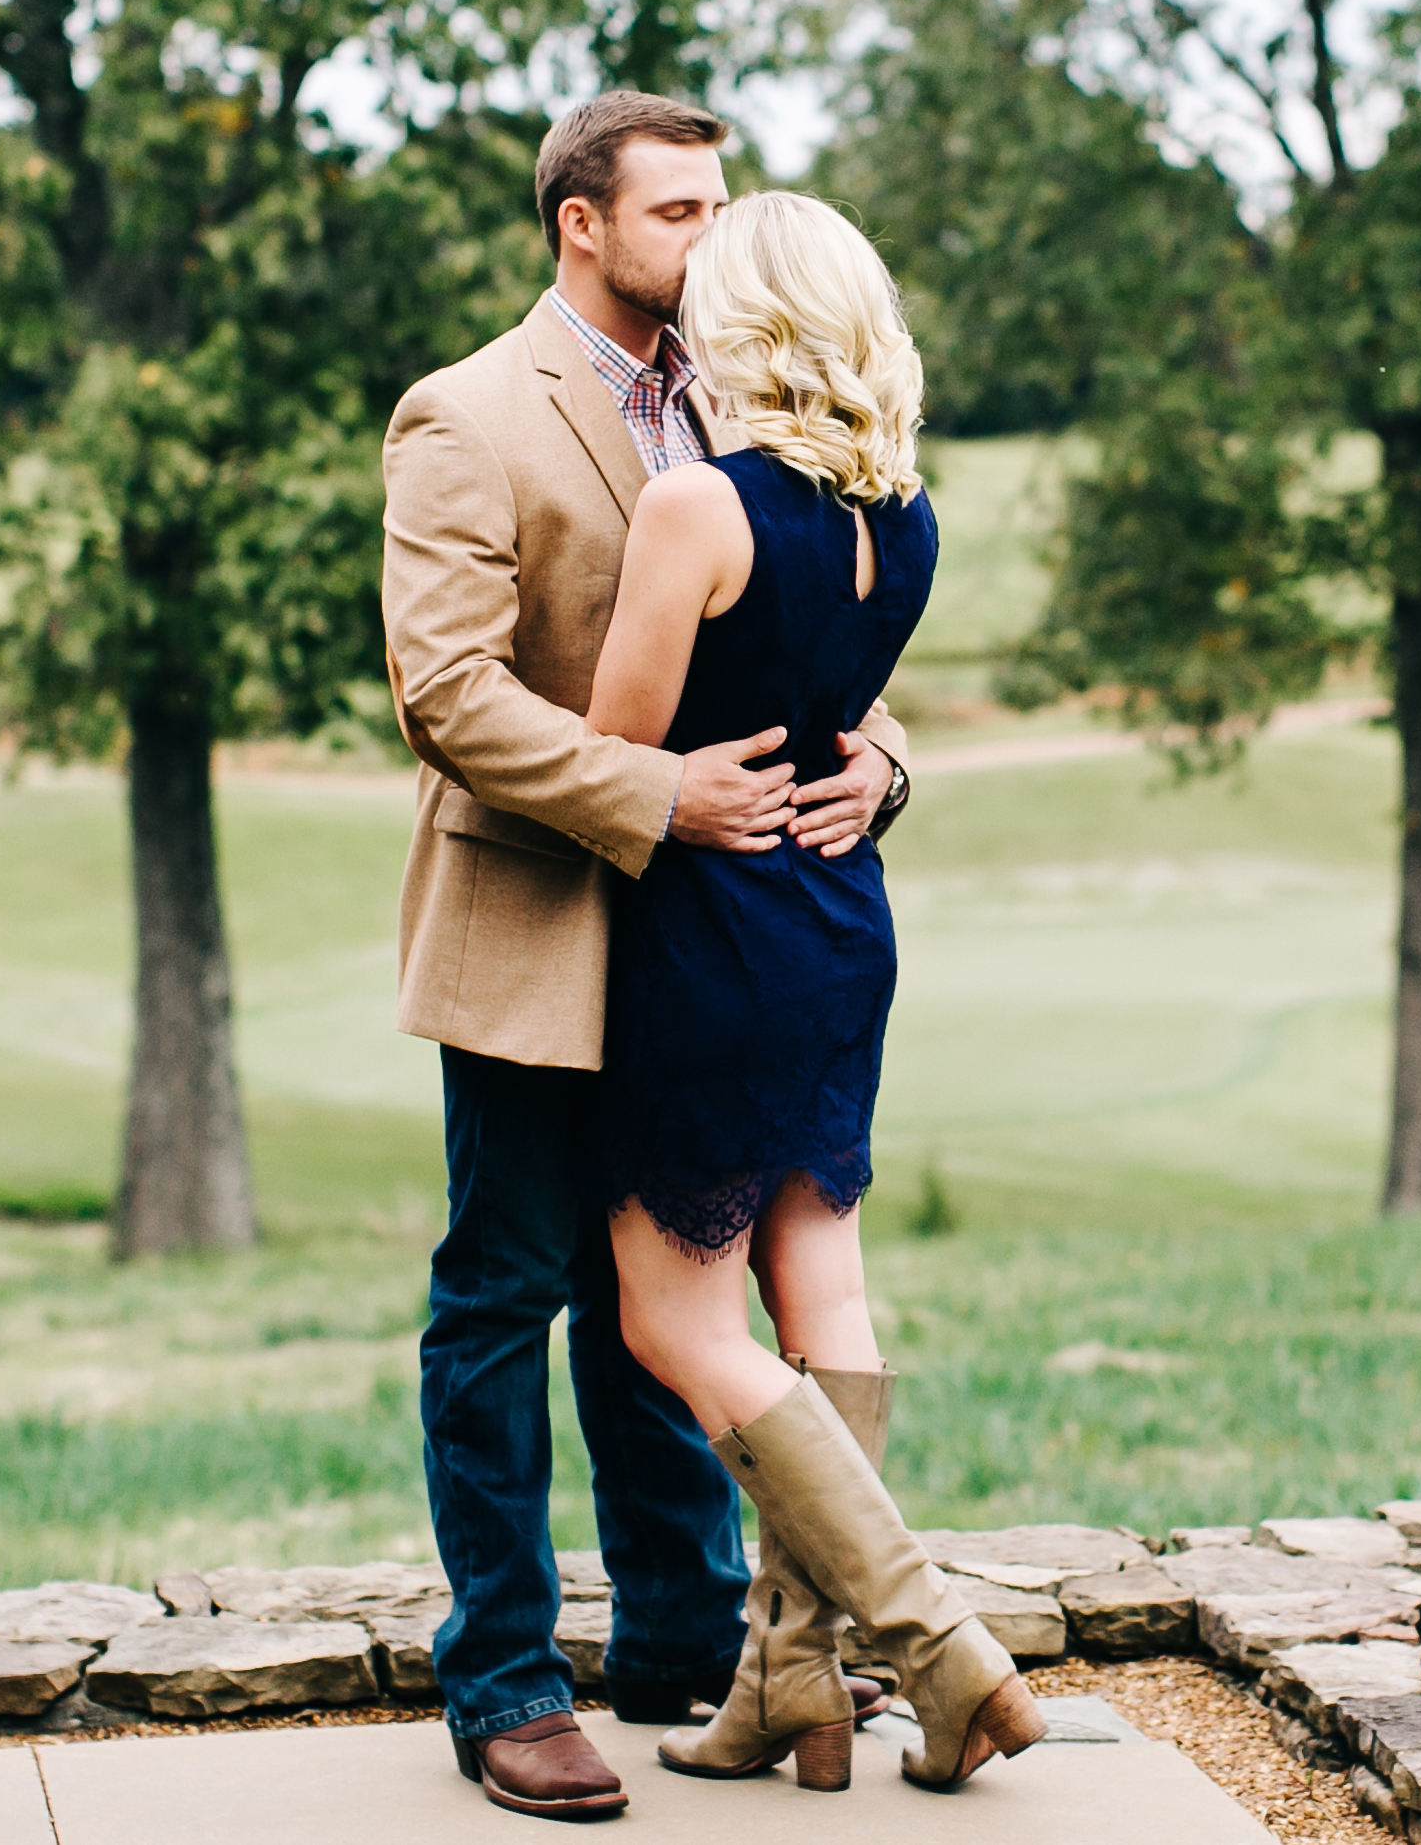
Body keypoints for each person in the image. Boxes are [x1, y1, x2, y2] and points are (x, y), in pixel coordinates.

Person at [380, 95, 914, 1821]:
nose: (711, 237)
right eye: (678, 210)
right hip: (541, 922)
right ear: (580, 226)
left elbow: (822, 640)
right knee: (506, 1294)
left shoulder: (747, 399)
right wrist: (652, 796)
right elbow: (445, 692)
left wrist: (889, 762)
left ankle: (693, 1634)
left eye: (719, 206)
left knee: (663, 1303)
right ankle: (509, 1676)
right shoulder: (464, 414)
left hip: (725, 953)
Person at [583, 191, 1046, 1796]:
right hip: (841, 921)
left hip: (710, 933)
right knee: (820, 1294)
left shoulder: (696, 508)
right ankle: (789, 1682)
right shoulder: (899, 515)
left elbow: (620, 744)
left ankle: (933, 1640)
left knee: (677, 1319)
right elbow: (854, 712)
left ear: (744, 323)